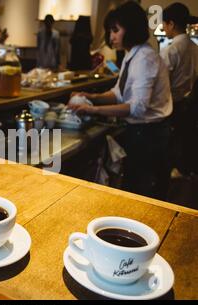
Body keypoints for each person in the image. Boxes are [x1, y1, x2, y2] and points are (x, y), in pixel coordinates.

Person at [67, 1, 173, 200]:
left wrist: (93, 110)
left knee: (142, 192)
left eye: (115, 30)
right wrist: (93, 97)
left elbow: (138, 108)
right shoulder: (131, 55)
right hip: (141, 132)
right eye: (110, 31)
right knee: (133, 184)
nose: (111, 36)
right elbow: (118, 93)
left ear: (131, 28)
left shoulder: (145, 58)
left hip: (150, 135)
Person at [160, 2, 198, 176]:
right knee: (184, 141)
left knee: (171, 146)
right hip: (190, 104)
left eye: (164, 23)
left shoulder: (170, 50)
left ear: (171, 24)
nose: (162, 27)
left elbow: (161, 84)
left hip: (172, 106)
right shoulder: (195, 48)